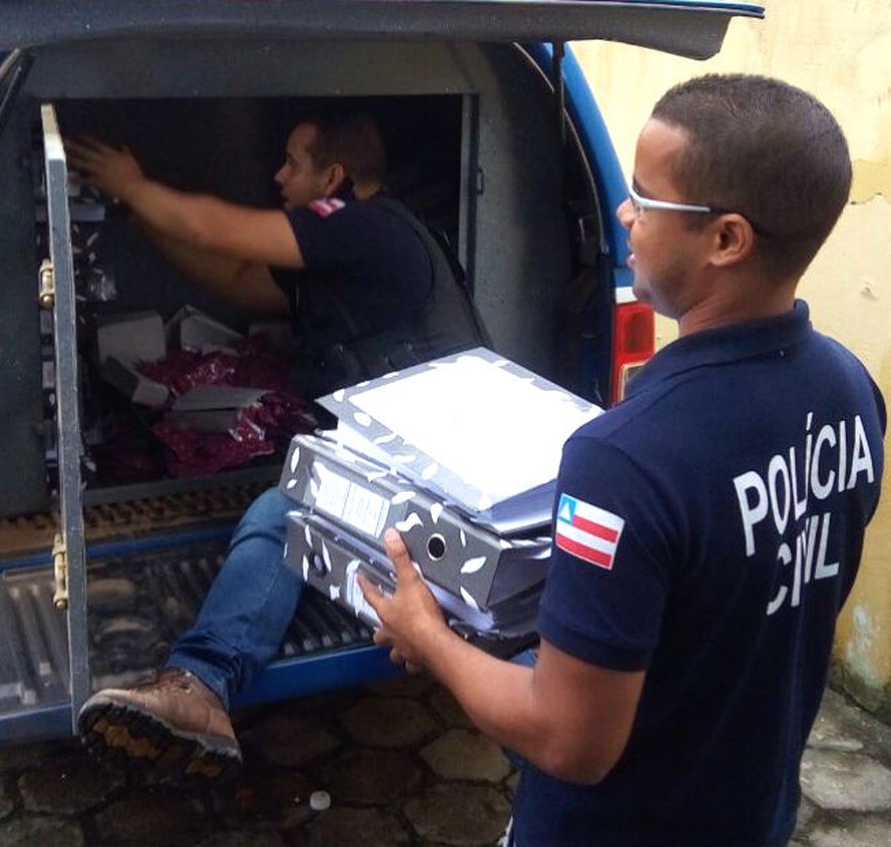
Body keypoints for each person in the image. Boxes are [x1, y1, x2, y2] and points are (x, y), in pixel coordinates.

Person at [360, 74, 886, 847]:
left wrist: (429, 635)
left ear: (726, 239)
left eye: (646, 197)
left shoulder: (624, 460)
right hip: (751, 812)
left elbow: (571, 740)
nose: (623, 213)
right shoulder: (850, 389)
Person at [67, 112, 485, 784]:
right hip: (401, 454)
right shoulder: (344, 254)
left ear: (334, 180)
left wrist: (131, 182)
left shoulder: (369, 226)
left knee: (286, 510)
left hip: (437, 460)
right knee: (287, 506)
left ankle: (198, 686)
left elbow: (215, 228)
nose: (278, 175)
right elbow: (233, 278)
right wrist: (137, 212)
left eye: (292, 162)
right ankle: (199, 688)